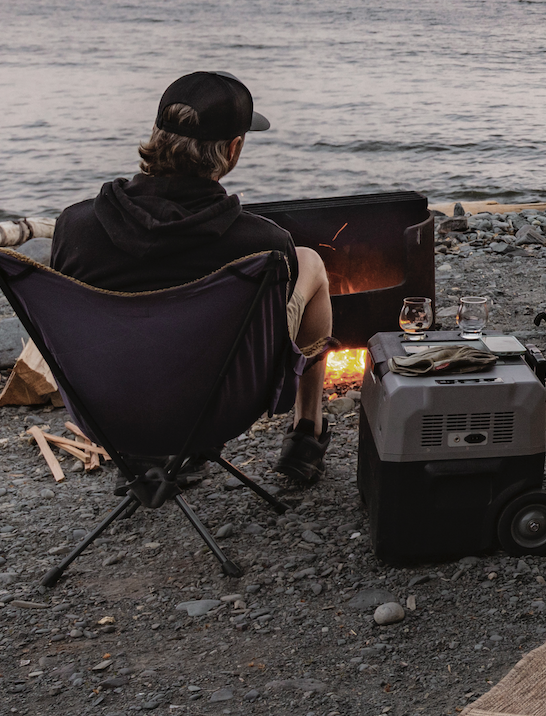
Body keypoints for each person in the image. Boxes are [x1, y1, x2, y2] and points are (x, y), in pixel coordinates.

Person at [49, 71, 336, 484]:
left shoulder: (75, 226)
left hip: (106, 412)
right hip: (218, 411)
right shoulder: (263, 245)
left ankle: (147, 452)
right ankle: (306, 433)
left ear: (155, 134)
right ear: (234, 149)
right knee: (308, 262)